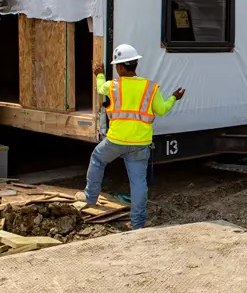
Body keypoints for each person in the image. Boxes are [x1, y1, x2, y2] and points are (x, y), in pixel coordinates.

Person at [76, 44, 185, 229]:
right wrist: (174, 97)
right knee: (138, 183)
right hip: (141, 144)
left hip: (115, 140)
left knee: (97, 160)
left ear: (119, 67)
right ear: (135, 64)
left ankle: (90, 198)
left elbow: (100, 88)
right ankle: (137, 224)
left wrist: (99, 74)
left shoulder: (113, 86)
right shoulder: (150, 88)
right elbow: (162, 110)